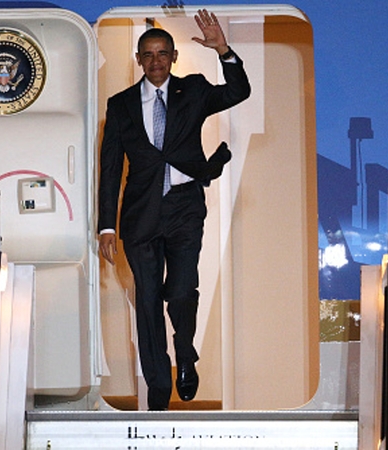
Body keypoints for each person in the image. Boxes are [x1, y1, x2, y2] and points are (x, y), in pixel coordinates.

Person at [97, 9, 251, 411]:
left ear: (174, 57)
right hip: (140, 216)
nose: (156, 61)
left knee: (181, 292)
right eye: (148, 55)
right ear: (138, 59)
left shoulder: (194, 91)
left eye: (163, 53)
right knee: (147, 301)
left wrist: (224, 50)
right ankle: (159, 389)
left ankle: (185, 355)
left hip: (184, 208)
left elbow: (238, 92)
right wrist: (105, 227)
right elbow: (110, 168)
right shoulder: (121, 105)